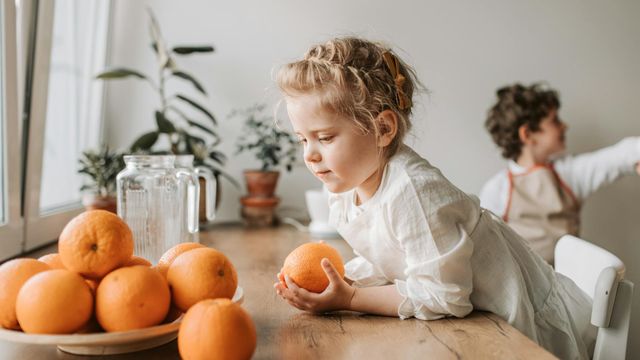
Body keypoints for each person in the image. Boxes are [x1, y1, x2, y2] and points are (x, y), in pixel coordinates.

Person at [272, 37, 596, 359]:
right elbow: (392, 256)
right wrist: (341, 279)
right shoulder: (345, 187)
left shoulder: (412, 191)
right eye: (302, 139)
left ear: (383, 128)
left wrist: (351, 299)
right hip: (477, 331)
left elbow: (445, 296)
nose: (310, 156)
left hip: (519, 336)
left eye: (325, 138)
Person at [480, 83, 640, 264]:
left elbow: (619, 155)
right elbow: (488, 250)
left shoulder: (568, 173)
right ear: (527, 134)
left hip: (570, 283)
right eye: (555, 121)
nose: (565, 125)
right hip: (525, 287)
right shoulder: (497, 190)